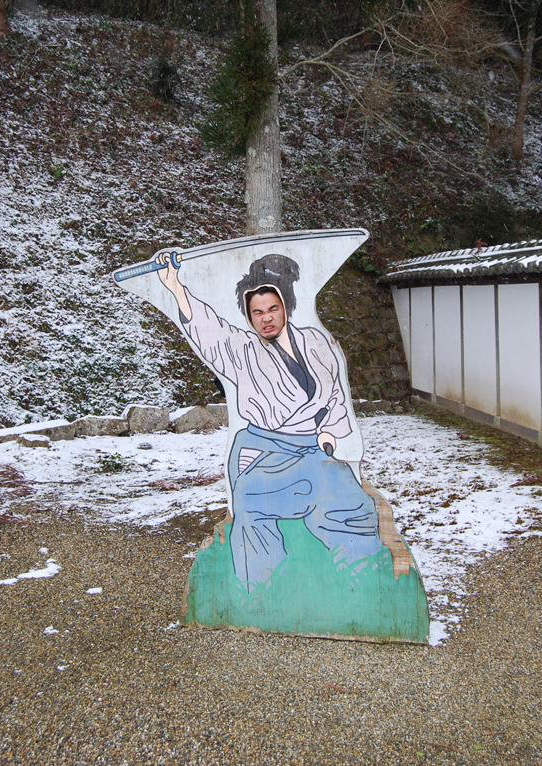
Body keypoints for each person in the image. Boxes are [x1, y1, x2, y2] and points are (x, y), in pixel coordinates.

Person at [156, 251, 381, 591]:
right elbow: (210, 330)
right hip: (266, 451)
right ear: (248, 317)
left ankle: (364, 584)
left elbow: (334, 394)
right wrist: (174, 286)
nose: (266, 319)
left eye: (272, 309)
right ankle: (263, 591)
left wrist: (331, 434)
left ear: (285, 307)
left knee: (355, 508)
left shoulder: (315, 342)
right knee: (251, 502)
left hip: (316, 446)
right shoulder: (242, 349)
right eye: (257, 312)